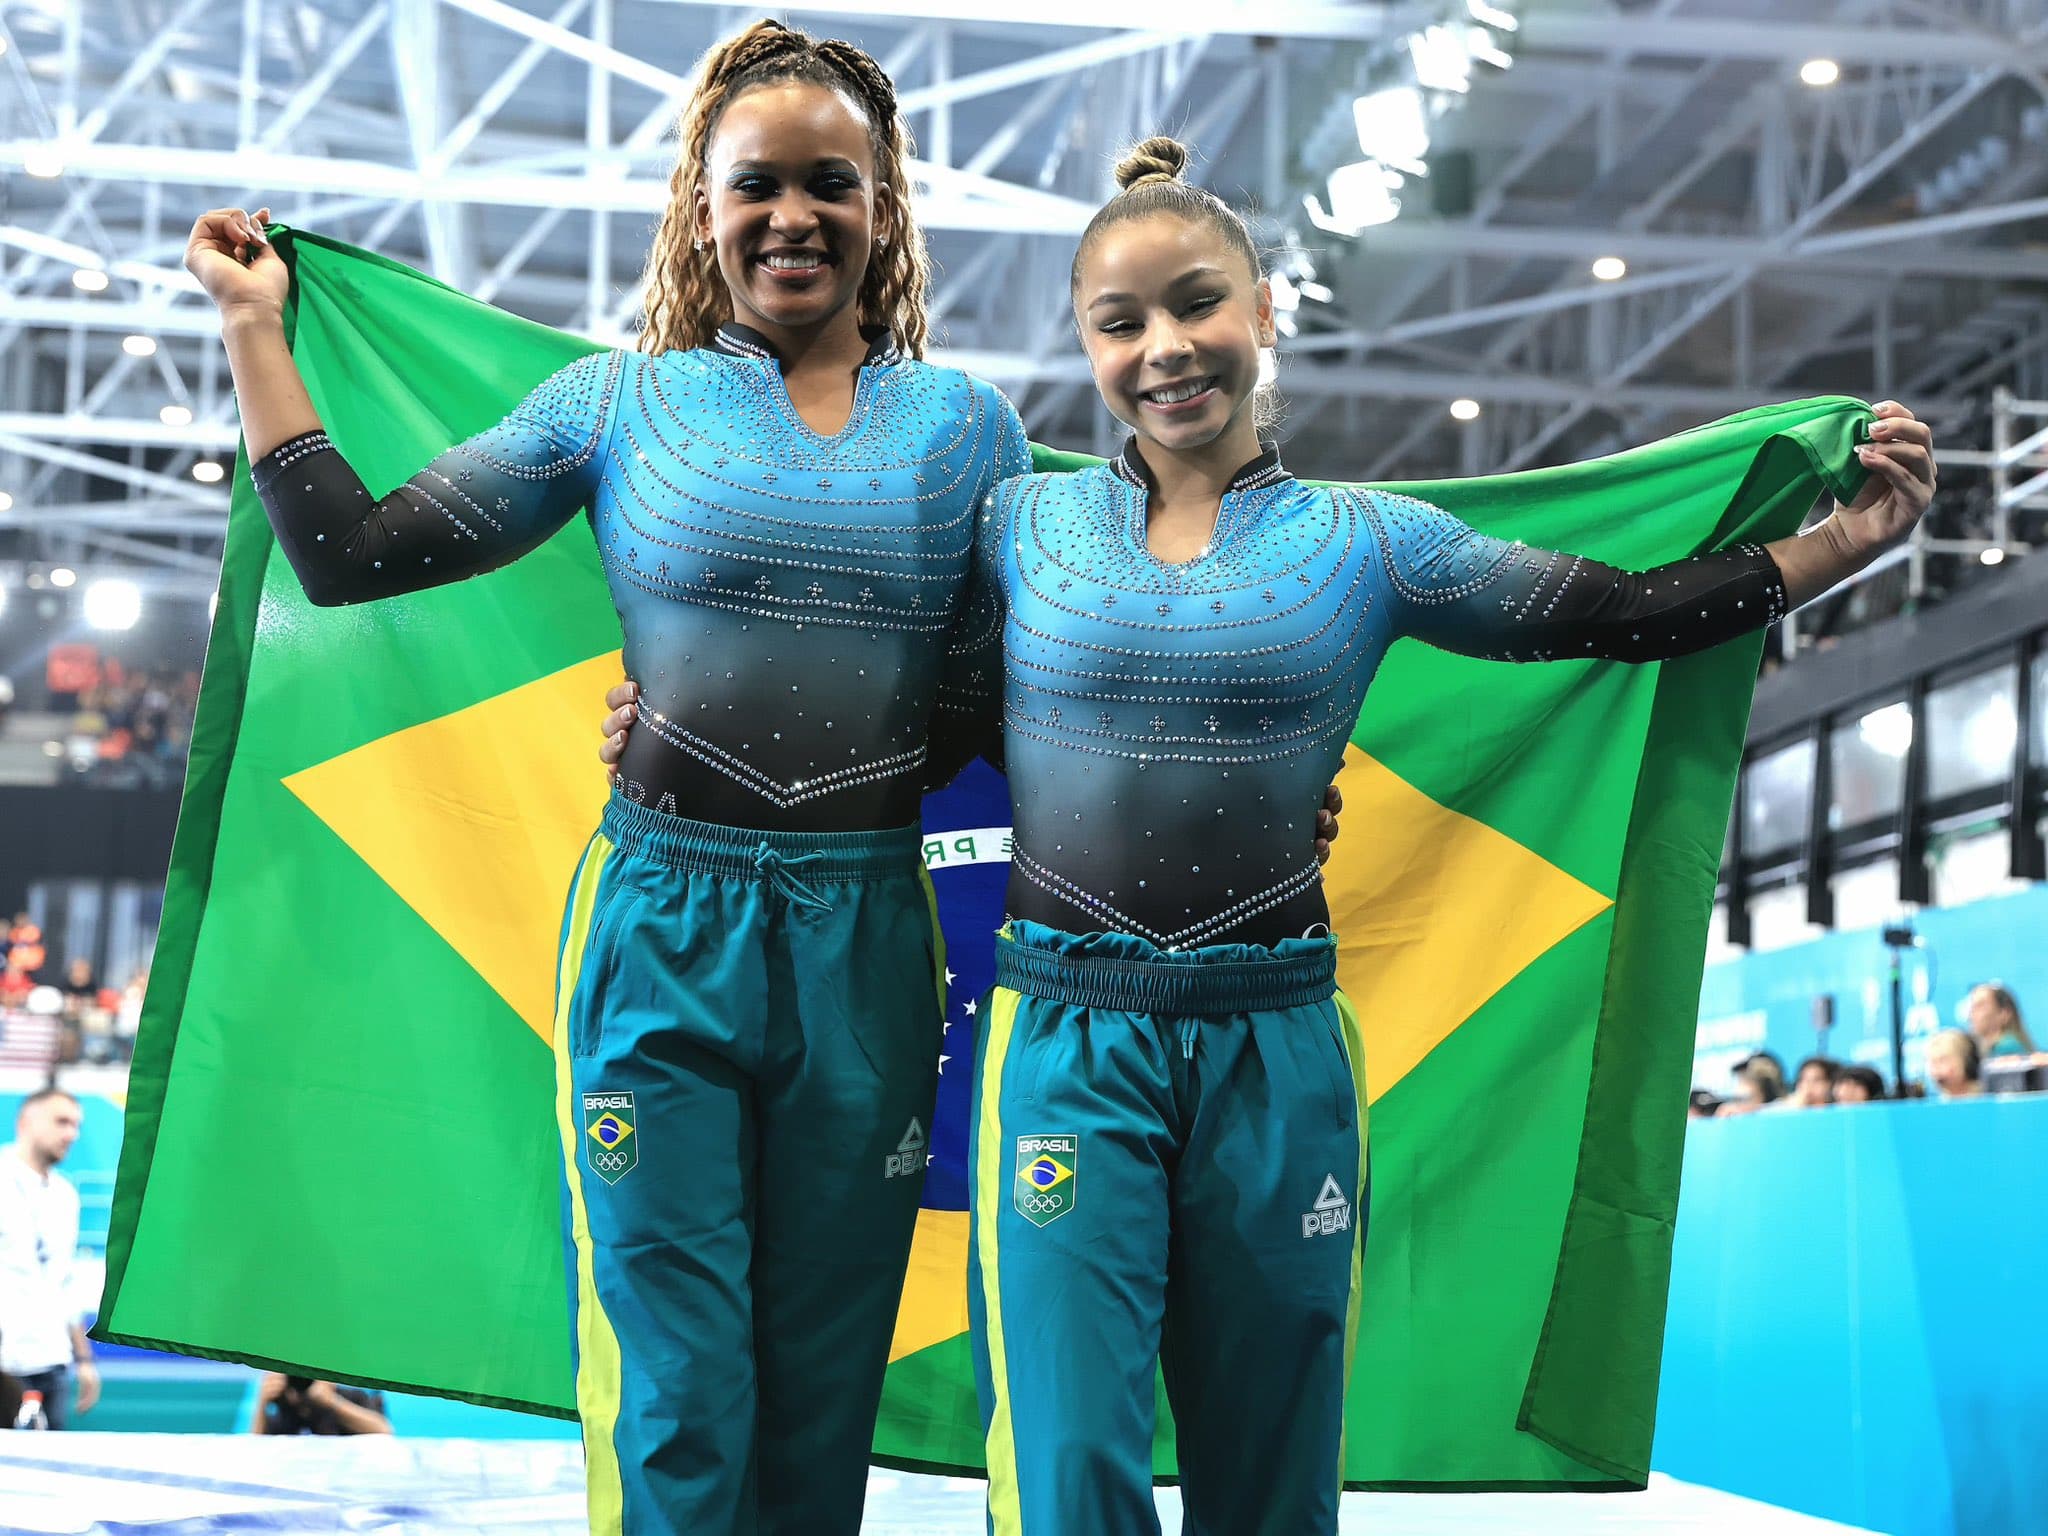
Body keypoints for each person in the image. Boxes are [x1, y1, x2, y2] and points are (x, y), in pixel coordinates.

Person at [602, 129, 1934, 1531]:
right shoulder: (1017, 527)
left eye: (1196, 306)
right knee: (1065, 1480)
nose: (1164, 349)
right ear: (1087, 343)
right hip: (1063, 1055)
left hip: (1278, 1050)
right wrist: (686, 734)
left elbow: (1610, 613)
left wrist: (1836, 548)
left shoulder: (1367, 544)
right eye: (1120, 324)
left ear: (1264, 314)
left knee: (1274, 1481)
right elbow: (908, 723)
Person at [0, 1089, 100, 1429]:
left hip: (52, 1360)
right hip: (5, 1363)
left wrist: (83, 1359)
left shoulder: (66, 1195)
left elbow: (65, 1283)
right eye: (61, 1122)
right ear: (26, 1121)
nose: (71, 1133)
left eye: (76, 1125)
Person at [251, 1373, 391, 1435]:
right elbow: (256, 1447)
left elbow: (383, 1430)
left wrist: (330, 1400)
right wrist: (262, 1402)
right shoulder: (285, 1409)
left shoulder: (351, 1397)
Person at [1965, 982, 2036, 1059]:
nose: (1971, 1015)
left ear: (2004, 1013)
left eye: (1980, 1006)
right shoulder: (1991, 1050)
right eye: (1972, 1006)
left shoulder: (2008, 1048)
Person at [1925, 1027, 1983, 1098]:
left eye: (1943, 1060)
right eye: (1933, 1062)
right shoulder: (1939, 1102)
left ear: (1966, 1062)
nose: (1936, 1068)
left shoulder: (1986, 1096)